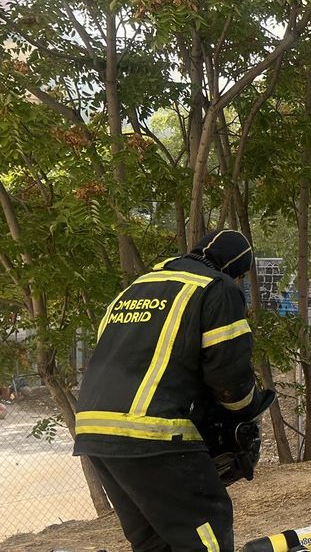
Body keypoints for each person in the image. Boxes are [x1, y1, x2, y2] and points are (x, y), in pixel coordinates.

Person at [74, 229, 269, 552]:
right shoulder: (215, 288)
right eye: (240, 276)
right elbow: (229, 375)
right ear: (234, 267)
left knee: (154, 542)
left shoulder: (134, 290)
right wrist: (244, 413)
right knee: (206, 537)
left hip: (96, 432)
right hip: (154, 435)